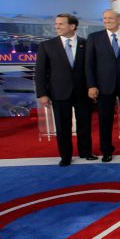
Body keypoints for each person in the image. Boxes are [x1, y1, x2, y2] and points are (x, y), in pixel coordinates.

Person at [34, 13, 96, 166]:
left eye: (61, 24)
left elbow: (92, 68)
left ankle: (85, 152)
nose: (57, 27)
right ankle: (66, 156)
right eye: (56, 24)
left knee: (85, 124)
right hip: (59, 92)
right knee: (62, 126)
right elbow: (40, 71)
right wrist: (42, 93)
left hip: (83, 92)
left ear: (72, 26)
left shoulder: (86, 44)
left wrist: (92, 87)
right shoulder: (47, 45)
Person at [86, 9, 120, 162]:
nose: (107, 20)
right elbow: (89, 64)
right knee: (105, 120)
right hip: (104, 87)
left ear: (119, 20)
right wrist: (91, 85)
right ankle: (106, 150)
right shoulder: (94, 38)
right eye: (105, 18)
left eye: (111, 18)